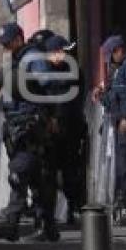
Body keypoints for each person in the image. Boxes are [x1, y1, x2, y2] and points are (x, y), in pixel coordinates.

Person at [0, 23, 59, 242]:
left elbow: (49, 86)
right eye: (3, 44)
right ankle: (48, 227)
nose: (5, 47)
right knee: (37, 179)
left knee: (19, 174)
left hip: (31, 124)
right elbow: (11, 91)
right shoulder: (15, 61)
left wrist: (52, 116)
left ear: (18, 39)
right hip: (17, 125)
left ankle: (12, 223)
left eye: (7, 42)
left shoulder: (32, 57)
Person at [92, 35, 126, 226]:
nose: (110, 60)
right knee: (124, 166)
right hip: (120, 123)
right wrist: (102, 96)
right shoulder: (122, 67)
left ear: (119, 50)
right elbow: (116, 96)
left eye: (111, 55)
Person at [44, 34, 86, 224]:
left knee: (70, 171)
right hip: (52, 130)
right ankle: (52, 212)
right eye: (60, 51)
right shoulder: (44, 72)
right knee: (50, 172)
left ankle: (72, 208)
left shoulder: (73, 70)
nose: (63, 54)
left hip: (70, 128)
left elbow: (71, 101)